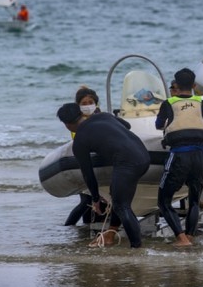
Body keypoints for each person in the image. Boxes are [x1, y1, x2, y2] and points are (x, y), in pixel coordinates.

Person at [57, 102, 150, 248]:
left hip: (127, 163)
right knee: (116, 195)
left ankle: (137, 248)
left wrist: (95, 198)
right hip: (144, 156)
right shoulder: (103, 116)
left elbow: (88, 174)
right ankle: (110, 236)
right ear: (82, 114)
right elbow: (126, 126)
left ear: (66, 124)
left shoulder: (80, 141)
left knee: (121, 206)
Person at [155, 68, 203, 247]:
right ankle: (190, 236)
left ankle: (181, 239)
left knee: (163, 201)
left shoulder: (169, 103)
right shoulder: (202, 103)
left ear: (176, 85)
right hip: (199, 155)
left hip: (179, 155)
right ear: (194, 85)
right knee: (194, 199)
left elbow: (158, 125)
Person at [64, 86, 106, 227]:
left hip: (101, 163)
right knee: (86, 201)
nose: (88, 106)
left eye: (90, 102)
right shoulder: (77, 121)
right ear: (78, 106)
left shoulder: (102, 116)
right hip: (85, 162)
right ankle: (68, 226)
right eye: (84, 103)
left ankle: (87, 227)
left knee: (98, 200)